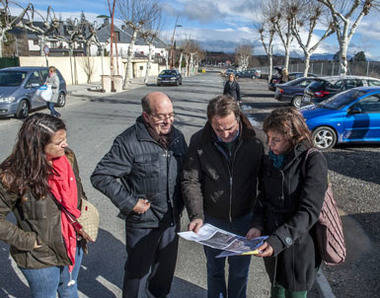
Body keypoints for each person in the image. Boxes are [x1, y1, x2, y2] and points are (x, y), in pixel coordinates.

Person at [91, 91, 187, 298]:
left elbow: (187, 175)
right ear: (146, 116)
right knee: (137, 274)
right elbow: (101, 176)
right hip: (143, 222)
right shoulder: (128, 142)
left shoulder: (177, 137)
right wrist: (130, 202)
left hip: (170, 220)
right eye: (161, 116)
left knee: (164, 275)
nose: (168, 121)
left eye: (171, 115)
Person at [0, 113, 92, 298]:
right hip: (40, 256)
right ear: (37, 146)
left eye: (65, 139)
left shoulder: (68, 158)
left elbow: (78, 190)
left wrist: (84, 219)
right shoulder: (12, 174)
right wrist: (28, 241)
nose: (65, 145)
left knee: (69, 290)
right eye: (58, 142)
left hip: (72, 243)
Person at [181, 95, 264, 298]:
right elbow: (191, 180)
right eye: (218, 129)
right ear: (210, 122)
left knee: (239, 273)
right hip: (212, 221)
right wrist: (196, 215)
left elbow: (266, 186)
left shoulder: (256, 140)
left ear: (238, 117)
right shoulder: (199, 140)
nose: (225, 134)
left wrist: (259, 222)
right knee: (215, 271)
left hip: (244, 220)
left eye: (230, 128)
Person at [247, 107, 328, 298]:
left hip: (299, 249)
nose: (270, 145)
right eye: (268, 138)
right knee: (276, 291)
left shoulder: (313, 160)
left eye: (276, 140)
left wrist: (279, 239)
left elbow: (309, 211)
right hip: (273, 247)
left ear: (293, 137)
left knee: (294, 293)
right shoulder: (271, 160)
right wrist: (257, 225)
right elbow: (263, 198)